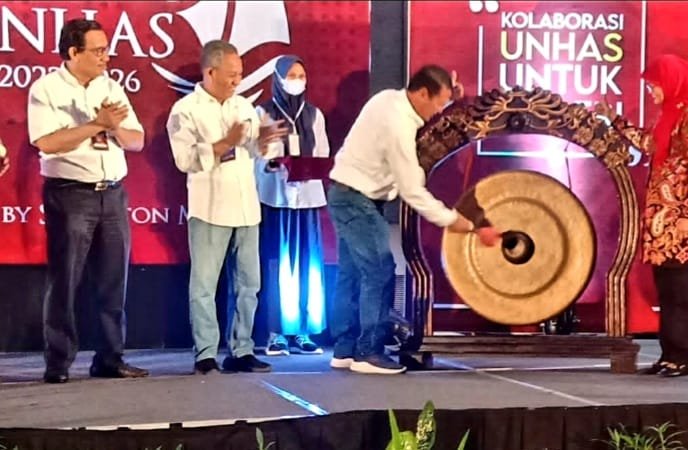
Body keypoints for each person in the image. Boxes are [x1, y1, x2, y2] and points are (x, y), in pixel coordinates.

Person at [327, 65, 502, 375]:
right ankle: (368, 352)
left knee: (352, 274)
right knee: (380, 271)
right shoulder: (398, 125)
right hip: (356, 200)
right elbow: (412, 191)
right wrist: (459, 222)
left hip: (346, 194)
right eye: (439, 103)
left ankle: (345, 349)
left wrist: (452, 99)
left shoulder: (388, 99)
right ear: (422, 93)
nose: (439, 111)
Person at [27, 18, 148, 383]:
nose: (105, 57)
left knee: (113, 281)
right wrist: (96, 125)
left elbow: (136, 140)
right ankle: (58, 361)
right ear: (73, 52)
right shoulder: (46, 88)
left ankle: (110, 357)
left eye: (106, 50)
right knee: (65, 280)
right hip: (70, 193)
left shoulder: (111, 87)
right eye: (97, 51)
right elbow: (46, 142)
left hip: (112, 192)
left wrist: (112, 126)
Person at [166, 40, 289, 375]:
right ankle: (206, 353)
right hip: (209, 206)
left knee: (249, 284)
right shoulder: (186, 110)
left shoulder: (244, 106)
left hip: (246, 205)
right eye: (232, 74)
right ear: (210, 72)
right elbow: (184, 160)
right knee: (204, 286)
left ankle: (242, 349)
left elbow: (258, 153)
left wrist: (264, 141)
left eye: (240, 74)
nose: (238, 80)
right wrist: (225, 143)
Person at [597, 54, 688, 377]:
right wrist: (615, 121)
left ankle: (683, 357)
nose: (651, 92)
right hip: (664, 227)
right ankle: (670, 355)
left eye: (654, 85)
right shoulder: (668, 116)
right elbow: (649, 143)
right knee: (668, 293)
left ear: (671, 82)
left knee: (680, 293)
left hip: (681, 225)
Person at [255, 55, 329, 356]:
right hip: (277, 199)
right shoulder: (263, 112)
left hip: (308, 200)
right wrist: (275, 164)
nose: (297, 81)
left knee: (310, 266)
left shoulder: (313, 115)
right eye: (291, 75)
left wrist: (309, 167)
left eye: (301, 75)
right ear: (278, 78)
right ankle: (277, 333)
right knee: (279, 265)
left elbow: (322, 151)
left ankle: (304, 331)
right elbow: (256, 156)